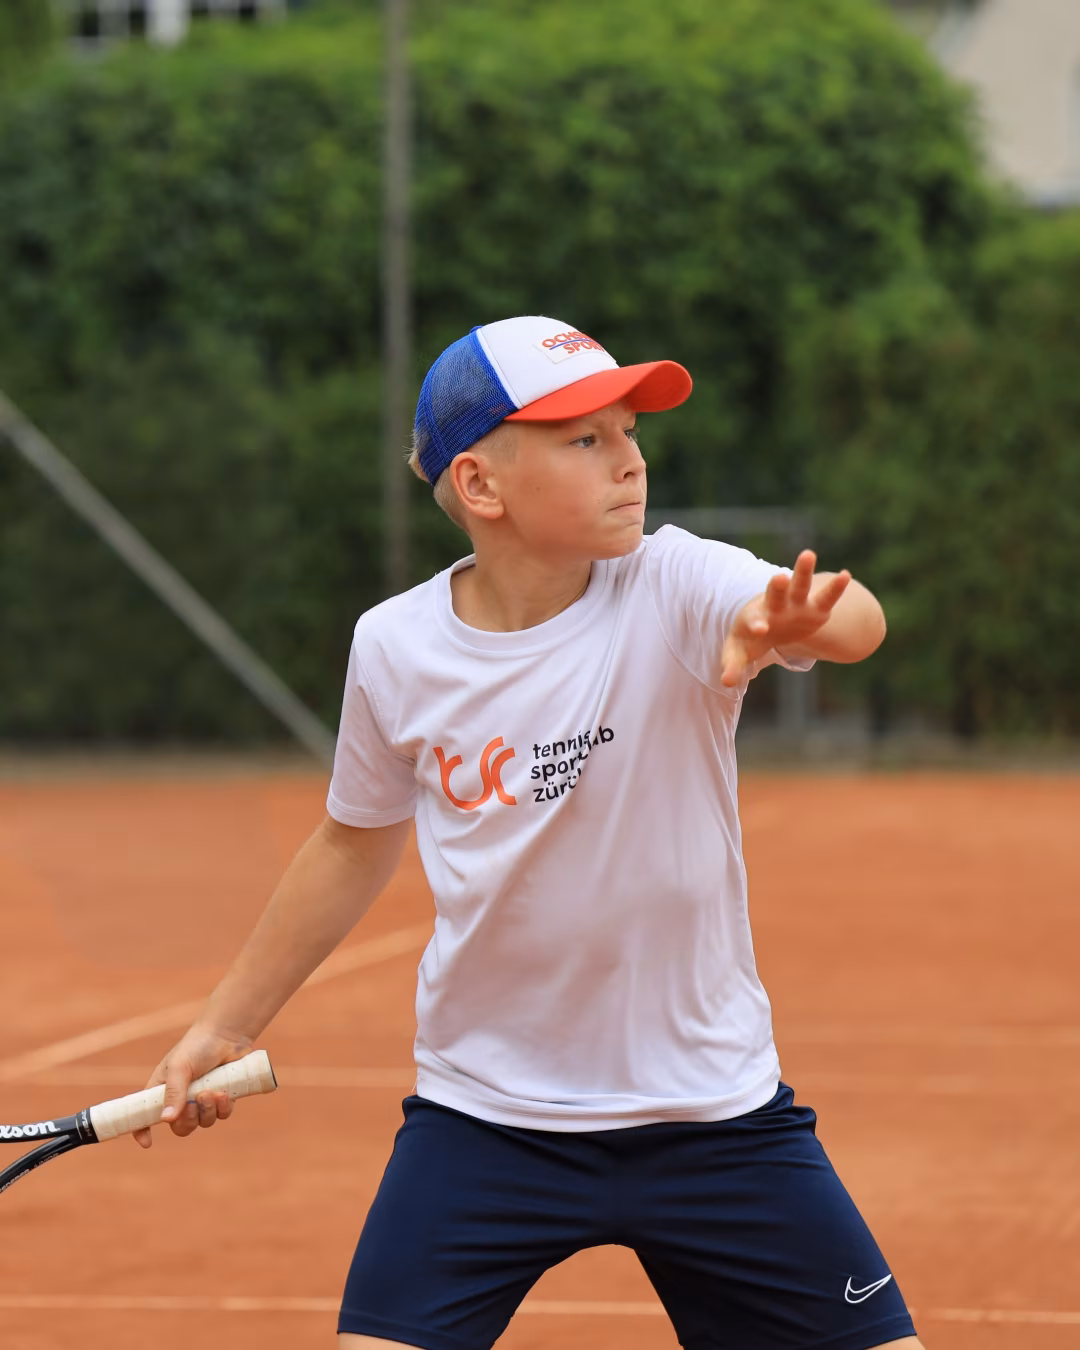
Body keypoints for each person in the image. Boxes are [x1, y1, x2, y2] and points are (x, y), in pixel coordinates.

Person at [137, 316, 924, 1350]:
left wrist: (803, 621)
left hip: (713, 1118)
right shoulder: (395, 647)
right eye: (584, 440)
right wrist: (227, 1025)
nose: (630, 460)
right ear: (481, 485)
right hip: (486, 1120)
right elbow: (350, 841)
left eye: (629, 431)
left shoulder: (675, 580)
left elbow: (853, 619)